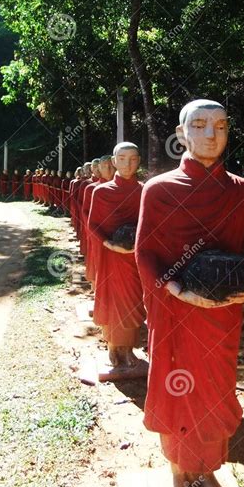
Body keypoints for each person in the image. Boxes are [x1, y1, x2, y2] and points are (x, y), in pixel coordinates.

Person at [135, 99, 244, 487]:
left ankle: (207, 473)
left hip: (223, 315)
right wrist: (176, 290)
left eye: (221, 125)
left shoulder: (243, 191)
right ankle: (182, 475)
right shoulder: (158, 190)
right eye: (199, 125)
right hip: (177, 313)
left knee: (215, 393)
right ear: (181, 135)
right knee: (180, 393)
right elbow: (145, 254)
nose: (211, 134)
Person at [88, 143, 147, 381]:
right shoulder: (101, 192)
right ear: (114, 161)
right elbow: (93, 225)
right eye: (122, 159)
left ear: (139, 161)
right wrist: (108, 244)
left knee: (133, 302)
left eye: (133, 159)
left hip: (135, 257)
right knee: (113, 300)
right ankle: (113, 346)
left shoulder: (145, 191)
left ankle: (129, 349)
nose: (128, 164)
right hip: (112, 257)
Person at [84, 155, 115, 288]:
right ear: (98, 169)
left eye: (110, 165)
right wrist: (95, 233)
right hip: (98, 234)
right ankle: (97, 290)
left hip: (118, 235)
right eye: (104, 166)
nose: (108, 169)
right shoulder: (91, 188)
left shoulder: (119, 187)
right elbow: (85, 214)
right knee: (98, 262)